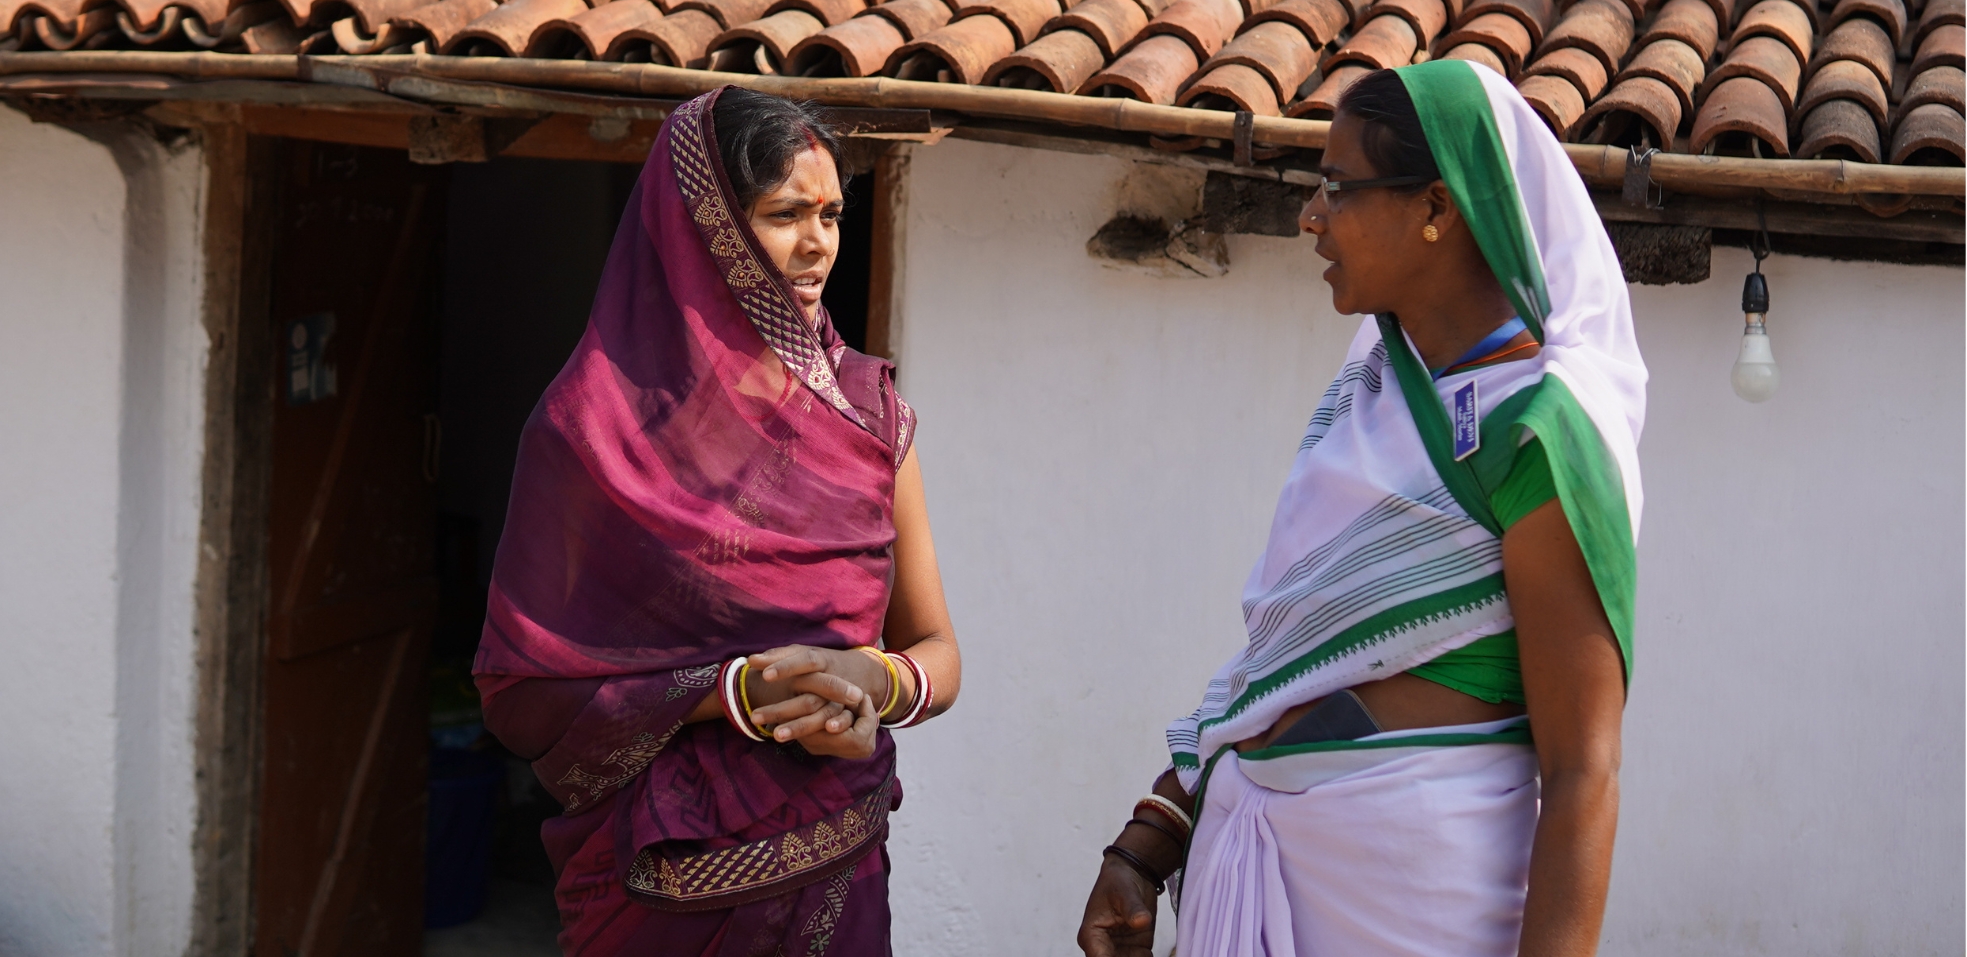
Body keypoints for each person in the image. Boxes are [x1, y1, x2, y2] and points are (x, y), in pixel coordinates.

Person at [1077, 60, 1645, 957]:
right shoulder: (1373, 392)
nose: (1309, 215)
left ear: (1436, 206)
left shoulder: (1540, 433)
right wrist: (1146, 842)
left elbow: (1583, 769)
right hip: (1262, 865)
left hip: (1413, 902)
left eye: (1337, 188)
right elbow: (1282, 662)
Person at [476, 85, 960, 954]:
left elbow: (937, 654)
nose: (818, 244)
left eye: (833, 215)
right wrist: (732, 693)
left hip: (833, 858)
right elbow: (522, 693)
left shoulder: (872, 420)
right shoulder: (590, 431)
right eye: (784, 214)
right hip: (656, 884)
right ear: (706, 227)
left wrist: (867, 683)